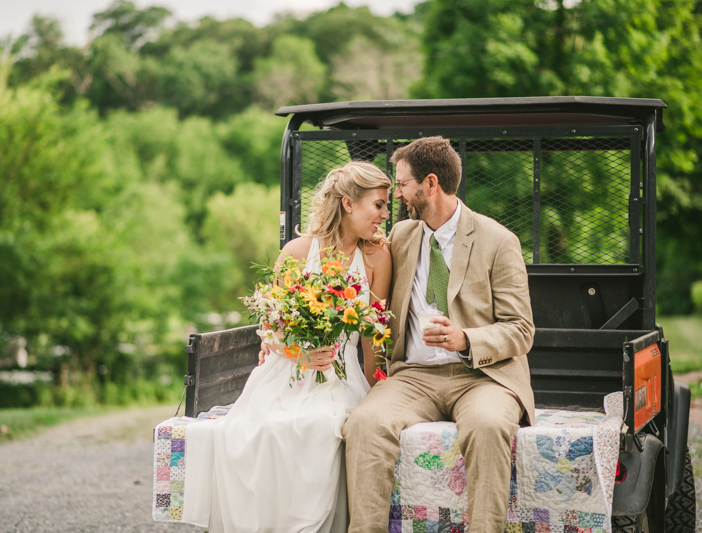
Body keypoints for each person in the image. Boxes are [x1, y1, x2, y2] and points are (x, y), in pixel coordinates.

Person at [182, 161, 393, 533]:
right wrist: (300, 354)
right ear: (348, 204)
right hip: (286, 373)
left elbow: (372, 336)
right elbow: (269, 330)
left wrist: (379, 391)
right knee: (256, 433)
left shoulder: (376, 257)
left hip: (341, 379)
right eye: (378, 205)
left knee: (320, 427)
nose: (384, 214)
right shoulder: (297, 251)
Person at [342, 137, 535, 533]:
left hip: (483, 377)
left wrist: (465, 339)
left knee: (487, 426)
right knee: (364, 423)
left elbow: (521, 329)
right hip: (415, 377)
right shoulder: (400, 236)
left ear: (430, 184)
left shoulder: (498, 240)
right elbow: (345, 253)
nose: (397, 194)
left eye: (401, 184)